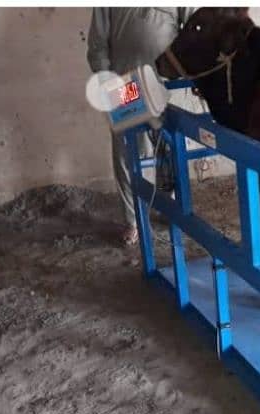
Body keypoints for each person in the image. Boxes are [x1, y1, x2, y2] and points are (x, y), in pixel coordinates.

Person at [86, 7, 199, 245]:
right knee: (128, 152)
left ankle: (170, 206)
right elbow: (98, 42)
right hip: (126, 82)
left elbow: (193, 26)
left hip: (168, 81)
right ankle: (132, 220)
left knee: (170, 148)